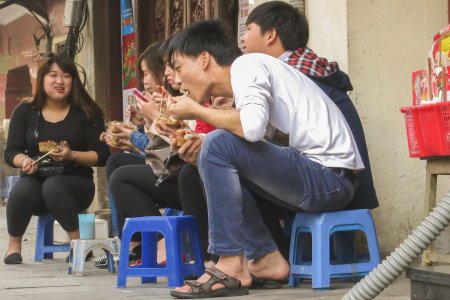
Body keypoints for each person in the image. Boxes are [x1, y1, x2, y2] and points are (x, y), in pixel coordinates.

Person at [166, 20, 363, 298]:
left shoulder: (247, 67)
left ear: (204, 59)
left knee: (217, 142)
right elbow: (254, 137)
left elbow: (252, 128)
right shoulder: (246, 81)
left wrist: (198, 112)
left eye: (178, 67)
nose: (176, 79)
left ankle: (231, 263)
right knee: (211, 148)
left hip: (329, 178)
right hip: (317, 176)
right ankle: (265, 259)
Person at [241, 1, 378, 210]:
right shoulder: (305, 69)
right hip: (332, 178)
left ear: (270, 35)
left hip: (331, 182)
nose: (243, 38)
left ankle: (274, 244)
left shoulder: (298, 78)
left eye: (249, 29)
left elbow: (268, 134)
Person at [3, 53, 110, 264]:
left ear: (74, 81)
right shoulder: (25, 111)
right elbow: (11, 152)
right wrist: (24, 161)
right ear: (42, 79)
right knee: (22, 189)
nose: (59, 81)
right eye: (53, 75)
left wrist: (72, 155)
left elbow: (102, 155)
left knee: (53, 186)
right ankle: (13, 246)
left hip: (76, 185)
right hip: (36, 180)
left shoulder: (87, 112)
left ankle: (78, 245)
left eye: (66, 75)